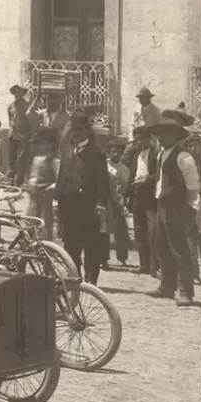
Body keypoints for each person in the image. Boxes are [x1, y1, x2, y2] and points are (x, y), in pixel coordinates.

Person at [148, 108, 200, 306]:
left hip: (178, 208)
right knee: (161, 246)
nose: (161, 137)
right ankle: (166, 286)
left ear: (176, 135)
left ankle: (186, 291)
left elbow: (193, 186)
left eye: (165, 133)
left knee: (179, 249)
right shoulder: (162, 154)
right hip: (163, 205)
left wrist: (191, 209)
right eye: (159, 133)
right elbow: (160, 181)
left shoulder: (184, 157)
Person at [53, 111, 110, 286]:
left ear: (87, 131)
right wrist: (57, 202)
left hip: (88, 208)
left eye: (80, 129)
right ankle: (74, 279)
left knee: (91, 246)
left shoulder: (97, 154)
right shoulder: (67, 152)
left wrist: (100, 205)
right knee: (70, 246)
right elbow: (61, 178)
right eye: (74, 129)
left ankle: (90, 282)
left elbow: (103, 183)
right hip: (68, 208)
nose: (77, 133)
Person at [124, 125, 160, 276]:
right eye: (135, 140)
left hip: (151, 198)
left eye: (140, 140)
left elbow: (159, 175)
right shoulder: (135, 156)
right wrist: (126, 194)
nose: (137, 143)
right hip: (137, 197)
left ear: (149, 139)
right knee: (139, 232)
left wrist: (146, 180)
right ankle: (143, 265)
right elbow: (131, 176)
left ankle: (154, 267)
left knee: (153, 232)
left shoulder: (156, 155)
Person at [25, 127, 60, 240]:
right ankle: (30, 244)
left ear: (52, 145)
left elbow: (59, 180)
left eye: (46, 143)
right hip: (35, 197)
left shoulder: (55, 161)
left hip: (47, 198)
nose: (43, 146)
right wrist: (31, 184)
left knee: (45, 224)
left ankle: (45, 245)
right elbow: (33, 176)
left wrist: (51, 188)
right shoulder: (37, 159)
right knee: (31, 222)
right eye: (41, 144)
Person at [103, 135, 131, 268]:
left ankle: (122, 257)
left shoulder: (123, 169)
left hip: (117, 201)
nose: (116, 154)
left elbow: (125, 186)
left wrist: (120, 199)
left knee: (120, 231)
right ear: (108, 152)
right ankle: (103, 258)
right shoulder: (103, 165)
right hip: (105, 200)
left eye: (119, 152)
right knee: (104, 230)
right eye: (113, 152)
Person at [7, 84, 35, 185]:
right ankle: (10, 180)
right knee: (11, 159)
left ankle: (18, 182)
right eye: (15, 92)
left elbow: (30, 120)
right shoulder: (11, 106)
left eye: (19, 92)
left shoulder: (27, 105)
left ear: (22, 94)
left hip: (23, 136)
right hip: (12, 135)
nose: (17, 94)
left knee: (20, 160)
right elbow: (10, 120)